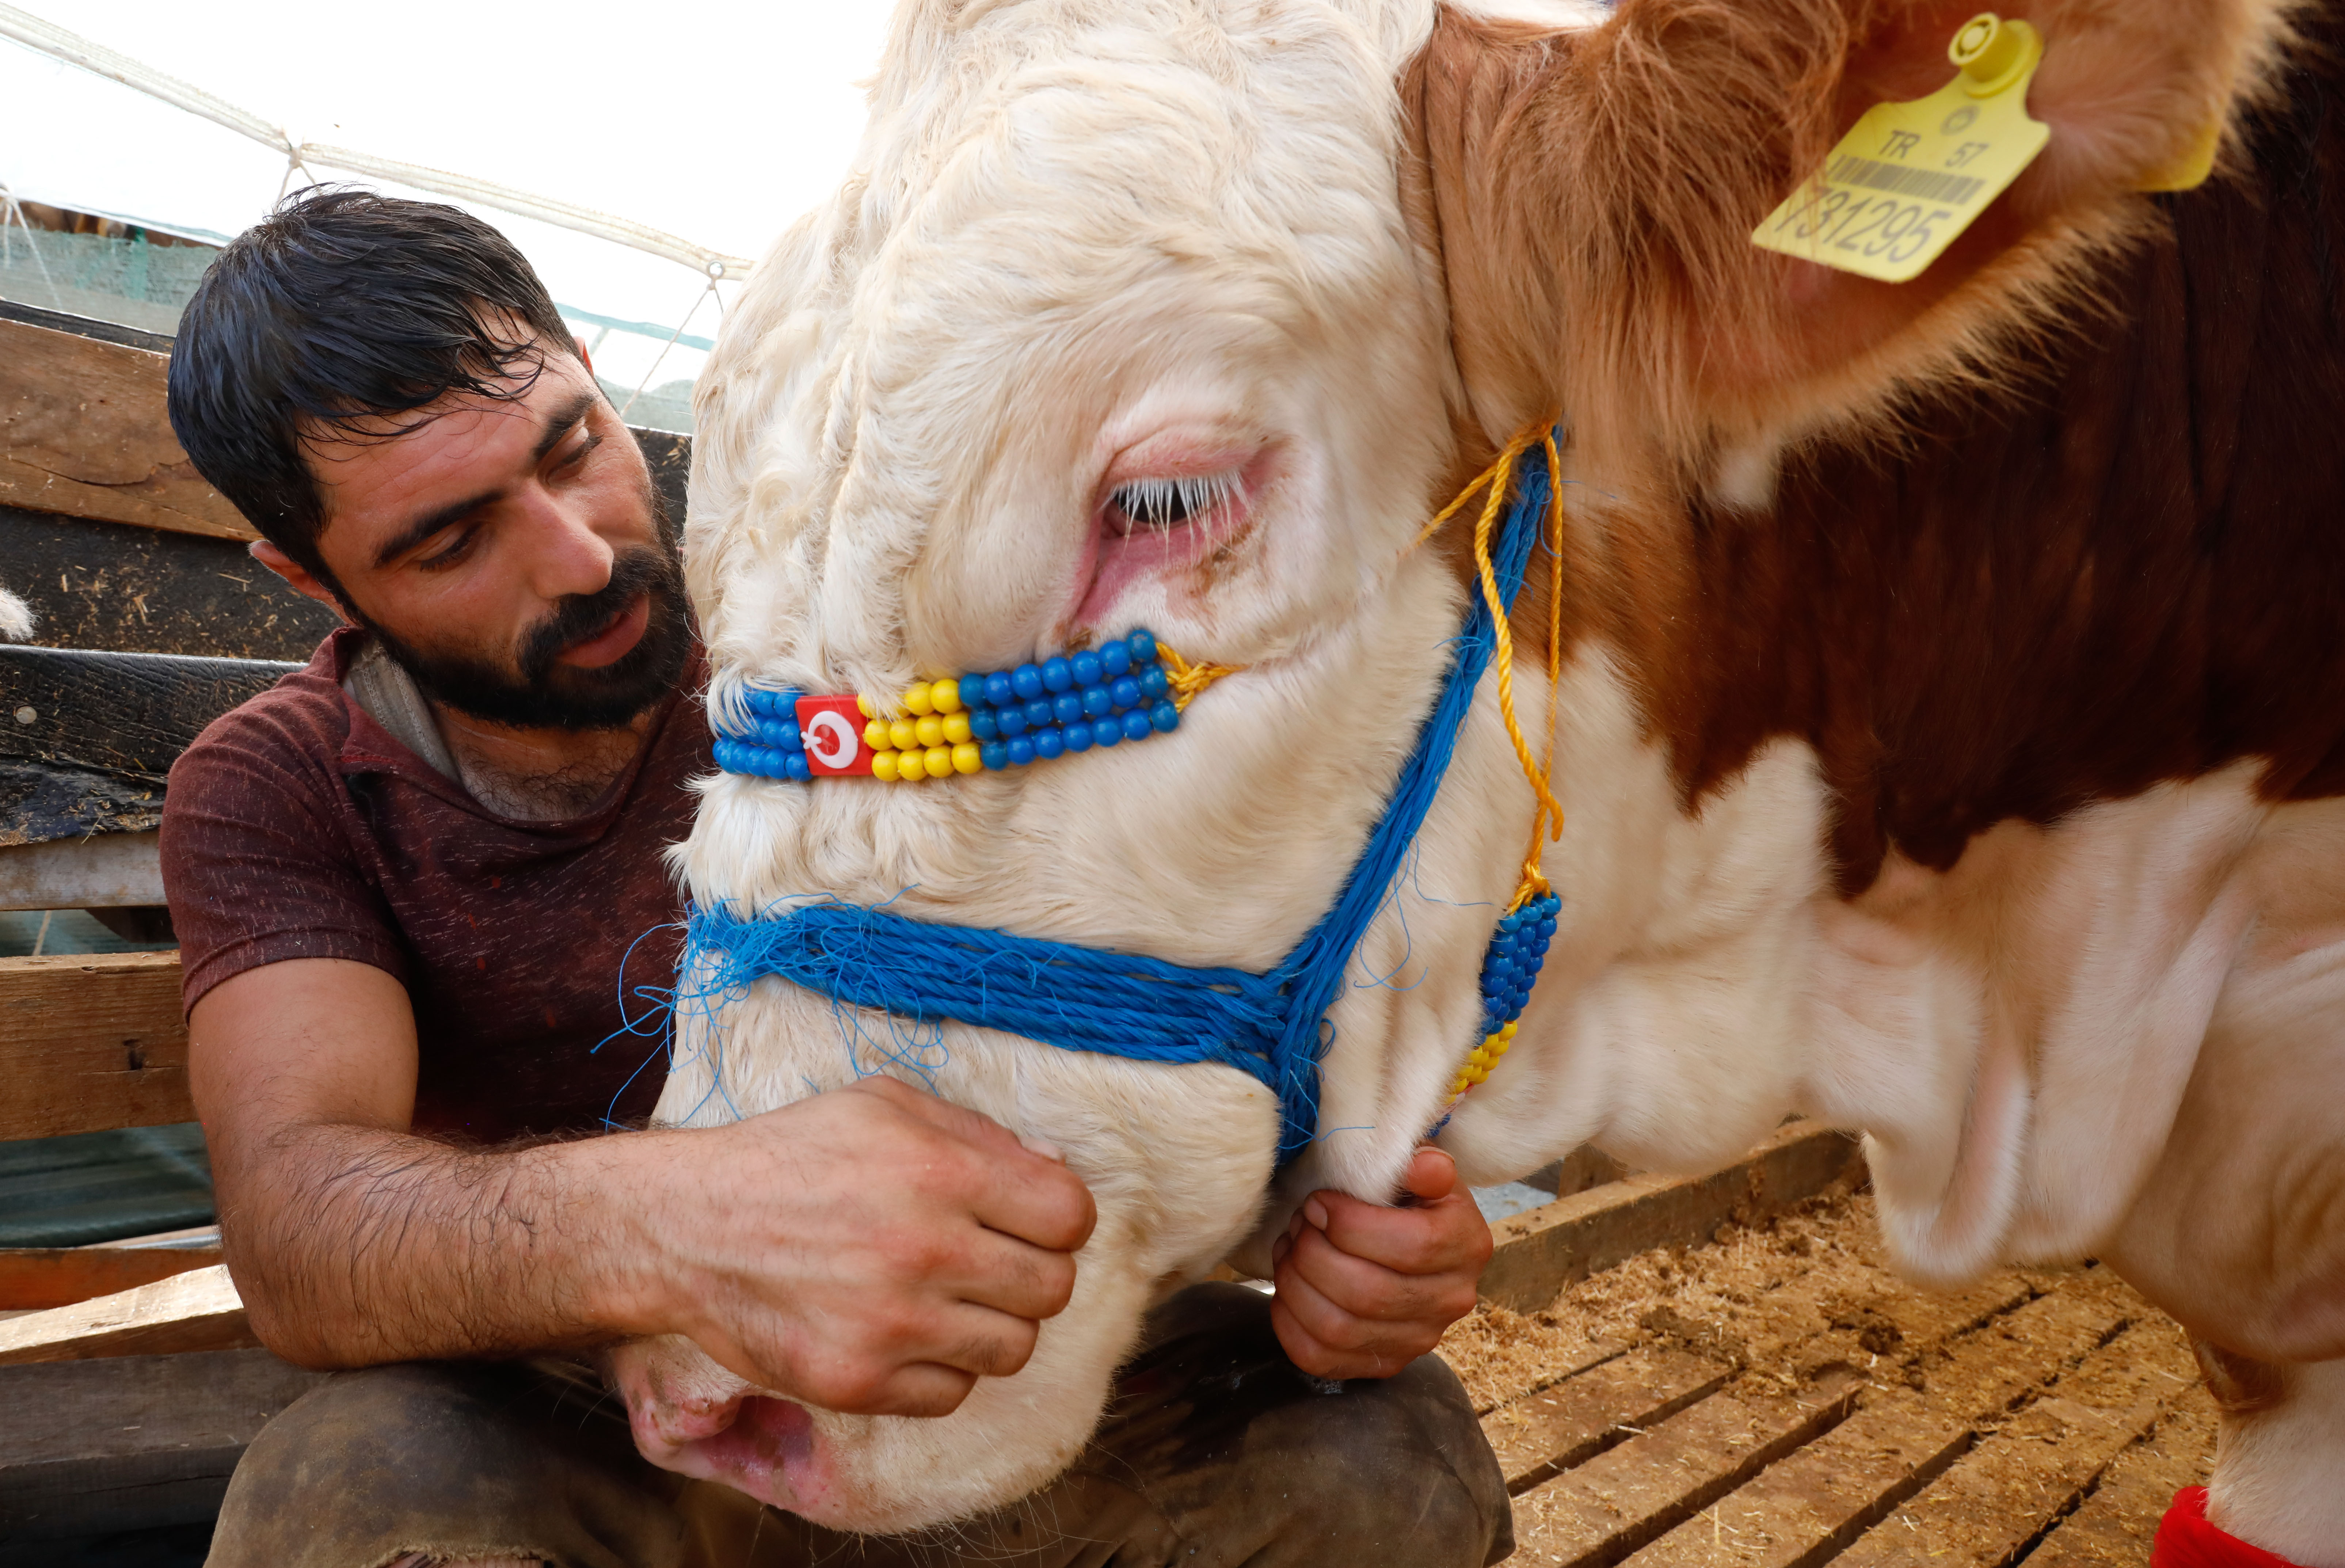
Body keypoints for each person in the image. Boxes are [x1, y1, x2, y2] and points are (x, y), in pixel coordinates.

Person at [161, 189, 1512, 1568]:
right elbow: (299, 1225)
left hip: (991, 1358)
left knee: (1388, 1456)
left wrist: (1347, 1238)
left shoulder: (853, 656)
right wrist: (688, 1229)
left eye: (574, 447)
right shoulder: (278, 784)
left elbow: (1165, 988)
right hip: (595, 1424)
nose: (580, 554)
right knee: (347, 1495)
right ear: (309, 577)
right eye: (451, 541)